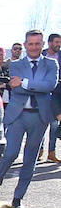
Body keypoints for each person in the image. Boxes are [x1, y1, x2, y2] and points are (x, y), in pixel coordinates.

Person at [0, 29, 58, 208]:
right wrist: (34, 85)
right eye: (30, 44)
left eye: (37, 44)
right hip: (18, 115)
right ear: (25, 45)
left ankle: (18, 197)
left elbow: (49, 85)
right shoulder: (16, 64)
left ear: (42, 45)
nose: (34, 47)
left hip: (39, 116)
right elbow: (19, 89)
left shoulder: (51, 64)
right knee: (10, 153)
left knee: (30, 159)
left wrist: (24, 82)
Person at [47, 33, 61, 162]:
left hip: (57, 95)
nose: (58, 44)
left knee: (54, 124)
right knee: (40, 124)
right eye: (56, 42)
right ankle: (38, 150)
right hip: (41, 94)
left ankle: (51, 152)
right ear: (49, 42)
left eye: (59, 42)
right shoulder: (41, 55)